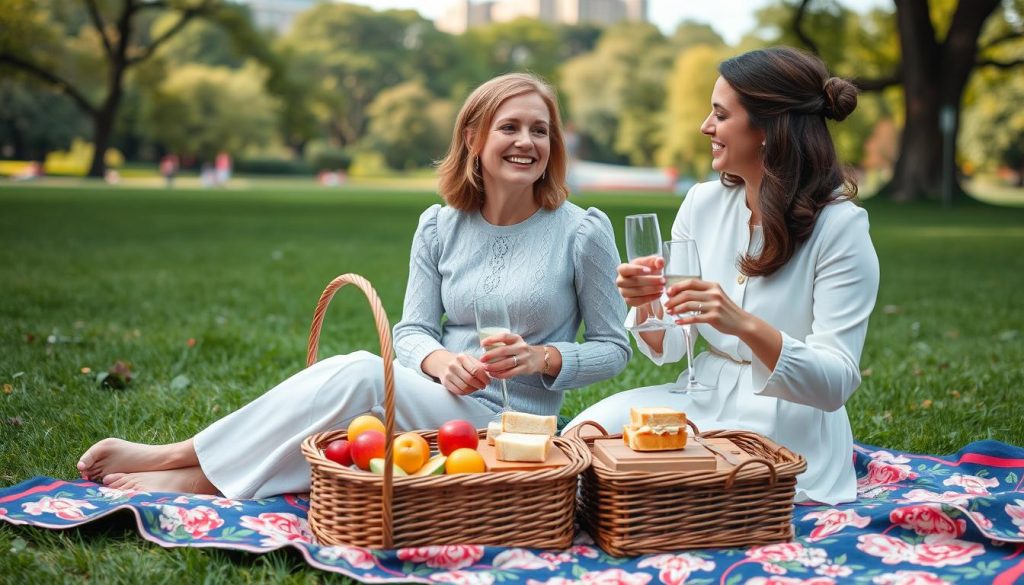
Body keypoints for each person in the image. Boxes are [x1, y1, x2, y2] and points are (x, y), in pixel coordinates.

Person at [77, 73, 631, 498]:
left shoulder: (582, 231)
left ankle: (179, 460)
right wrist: (440, 363)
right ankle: (191, 472)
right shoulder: (438, 225)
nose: (526, 142)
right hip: (438, 399)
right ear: (473, 137)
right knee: (351, 415)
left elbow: (614, 349)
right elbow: (414, 331)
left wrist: (542, 358)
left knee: (360, 373)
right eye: (510, 127)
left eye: (540, 130)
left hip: (516, 426)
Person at [564, 47, 880, 505]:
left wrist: (743, 324)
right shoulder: (702, 204)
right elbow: (673, 345)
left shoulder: (840, 227)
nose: (705, 127)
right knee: (582, 439)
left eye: (720, 115)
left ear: (769, 130)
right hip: (702, 398)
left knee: (678, 491)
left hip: (787, 425)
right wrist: (646, 301)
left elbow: (833, 383)